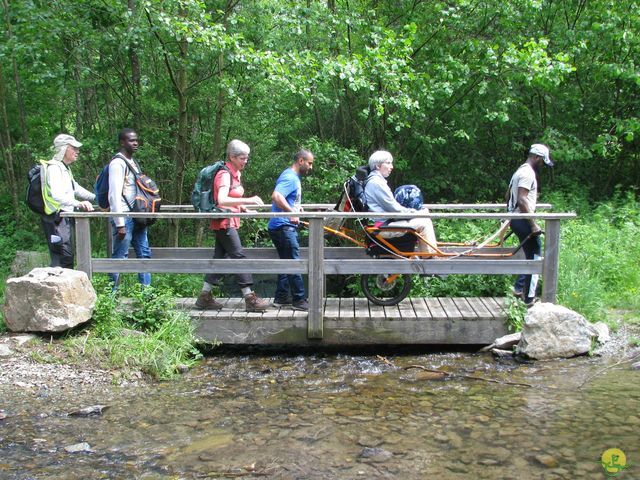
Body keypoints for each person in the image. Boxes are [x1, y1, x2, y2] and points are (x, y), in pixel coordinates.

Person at [195, 139, 270, 312]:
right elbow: (222, 199)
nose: (245, 161)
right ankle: (250, 298)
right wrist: (249, 200)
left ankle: (204, 297)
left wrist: (243, 209)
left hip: (230, 220)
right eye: (242, 158)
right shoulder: (224, 174)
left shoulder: (236, 173)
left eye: (247, 158)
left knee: (220, 260)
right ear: (232, 157)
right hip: (224, 222)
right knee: (238, 257)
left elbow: (232, 197)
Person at [506, 143, 554, 306]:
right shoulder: (527, 174)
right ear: (537, 157)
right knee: (535, 256)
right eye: (542, 161)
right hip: (522, 219)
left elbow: (508, 195)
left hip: (516, 218)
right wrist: (533, 224)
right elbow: (522, 199)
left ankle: (519, 288)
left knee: (530, 255)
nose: (542, 165)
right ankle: (529, 299)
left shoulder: (519, 171)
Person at [364, 150, 437, 253]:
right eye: (388, 163)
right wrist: (416, 213)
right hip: (382, 227)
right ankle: (429, 258)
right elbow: (395, 210)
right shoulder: (376, 184)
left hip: (384, 224)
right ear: (378, 166)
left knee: (423, 218)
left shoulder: (375, 181)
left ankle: (427, 255)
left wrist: (415, 213)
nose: (392, 167)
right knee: (424, 222)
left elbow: (393, 209)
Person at [267, 149, 314, 311]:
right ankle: (299, 300)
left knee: (287, 261)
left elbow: (286, 199)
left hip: (281, 225)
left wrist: (296, 208)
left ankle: (281, 298)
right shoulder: (290, 177)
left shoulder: (293, 177)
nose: (311, 167)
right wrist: (290, 212)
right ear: (300, 161)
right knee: (294, 262)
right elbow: (276, 196)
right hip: (283, 226)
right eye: (309, 163)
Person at [40, 134, 95, 268]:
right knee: (62, 255)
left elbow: (75, 188)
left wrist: (95, 197)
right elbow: (56, 195)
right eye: (74, 148)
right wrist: (78, 203)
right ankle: (56, 287)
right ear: (64, 149)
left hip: (64, 217)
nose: (77, 152)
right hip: (56, 218)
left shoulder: (64, 167)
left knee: (67, 255)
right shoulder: (54, 168)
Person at [108, 128, 152, 287]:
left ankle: (147, 297)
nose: (135, 143)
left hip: (137, 216)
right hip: (125, 218)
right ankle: (110, 298)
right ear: (122, 142)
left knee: (144, 255)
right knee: (120, 257)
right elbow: (114, 195)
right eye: (131, 140)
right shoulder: (117, 164)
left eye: (136, 140)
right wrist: (119, 223)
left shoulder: (133, 163)